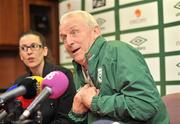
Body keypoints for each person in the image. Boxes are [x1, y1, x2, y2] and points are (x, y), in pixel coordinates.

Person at [59, 10, 170, 124]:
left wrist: (95, 102)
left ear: (95, 31)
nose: (68, 42)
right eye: (63, 37)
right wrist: (76, 113)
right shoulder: (78, 69)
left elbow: (145, 105)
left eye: (74, 32)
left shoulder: (118, 51)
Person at [13, 30, 76, 124]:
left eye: (33, 46)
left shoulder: (62, 75)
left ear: (45, 51)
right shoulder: (20, 82)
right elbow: (16, 116)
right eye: (23, 48)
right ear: (21, 56)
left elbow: (67, 119)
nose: (29, 52)